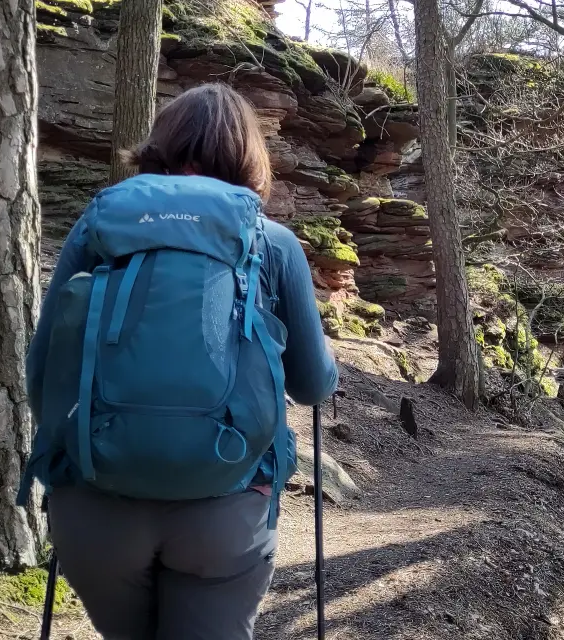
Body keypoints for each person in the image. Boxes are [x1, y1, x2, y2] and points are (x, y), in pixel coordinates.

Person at [24, 83, 338, 639]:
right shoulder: (273, 243)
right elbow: (313, 386)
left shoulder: (98, 227)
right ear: (248, 156)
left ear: (160, 147)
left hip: (96, 507)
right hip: (225, 508)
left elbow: (41, 375)